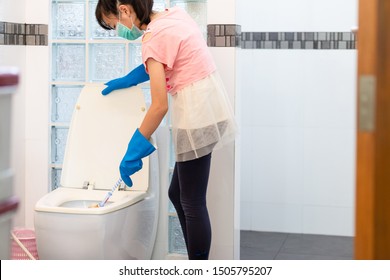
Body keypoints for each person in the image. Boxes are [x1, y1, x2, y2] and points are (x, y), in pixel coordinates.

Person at [95, 0, 236, 260]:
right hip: (211, 106)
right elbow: (166, 59)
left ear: (125, 10)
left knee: (192, 202)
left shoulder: (152, 37)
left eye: (115, 24)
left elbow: (159, 106)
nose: (120, 31)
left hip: (197, 116)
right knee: (178, 194)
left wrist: (134, 149)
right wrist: (129, 79)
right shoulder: (172, 16)